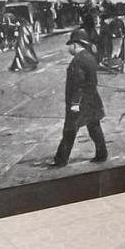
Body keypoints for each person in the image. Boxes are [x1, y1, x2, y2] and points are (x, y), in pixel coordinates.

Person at [51, 31, 106, 167]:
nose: (69, 48)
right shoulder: (89, 57)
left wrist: (75, 103)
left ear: (75, 45)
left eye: (70, 45)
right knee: (94, 128)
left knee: (69, 131)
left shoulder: (78, 61)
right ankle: (102, 154)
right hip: (92, 100)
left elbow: (78, 84)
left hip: (80, 103)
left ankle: (60, 160)